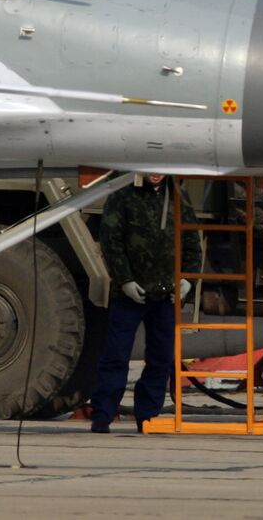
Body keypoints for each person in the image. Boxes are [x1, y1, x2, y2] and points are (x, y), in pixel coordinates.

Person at [88, 174, 199, 433]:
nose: (156, 173)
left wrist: (187, 282)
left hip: (165, 295)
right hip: (130, 294)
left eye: (161, 169)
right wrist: (124, 279)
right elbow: (111, 240)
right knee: (116, 355)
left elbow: (192, 243)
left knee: (161, 358)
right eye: (150, 168)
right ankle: (103, 414)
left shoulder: (179, 197)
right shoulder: (123, 195)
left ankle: (147, 416)